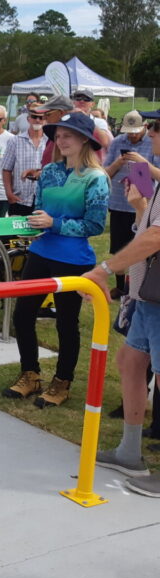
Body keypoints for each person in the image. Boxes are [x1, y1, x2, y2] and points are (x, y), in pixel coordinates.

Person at [2, 111, 109, 408]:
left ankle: (62, 382)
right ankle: (30, 374)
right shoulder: (48, 171)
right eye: (58, 136)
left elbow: (95, 225)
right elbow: (39, 210)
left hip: (74, 260)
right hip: (40, 252)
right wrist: (34, 224)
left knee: (66, 322)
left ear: (85, 140)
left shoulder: (97, 178)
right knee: (22, 314)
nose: (60, 141)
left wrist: (54, 224)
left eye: (67, 135)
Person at [84, 111, 160, 496]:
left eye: (156, 129)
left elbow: (154, 240)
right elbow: (148, 229)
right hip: (148, 296)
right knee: (130, 362)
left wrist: (104, 268)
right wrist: (138, 207)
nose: (151, 135)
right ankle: (130, 451)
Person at [102, 110, 160, 296]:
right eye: (129, 131)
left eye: (136, 130)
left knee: (142, 247)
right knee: (120, 246)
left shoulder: (153, 144)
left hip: (146, 203)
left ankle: (137, 286)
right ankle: (121, 287)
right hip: (121, 202)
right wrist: (119, 163)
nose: (133, 135)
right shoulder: (117, 142)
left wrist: (142, 164)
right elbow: (105, 174)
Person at [1, 106, 47, 217]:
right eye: (34, 117)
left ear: (45, 120)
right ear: (28, 119)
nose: (37, 120)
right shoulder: (15, 141)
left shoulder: (51, 141)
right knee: (16, 233)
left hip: (44, 199)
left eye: (41, 118)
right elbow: (6, 169)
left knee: (39, 233)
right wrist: (9, 193)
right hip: (20, 198)